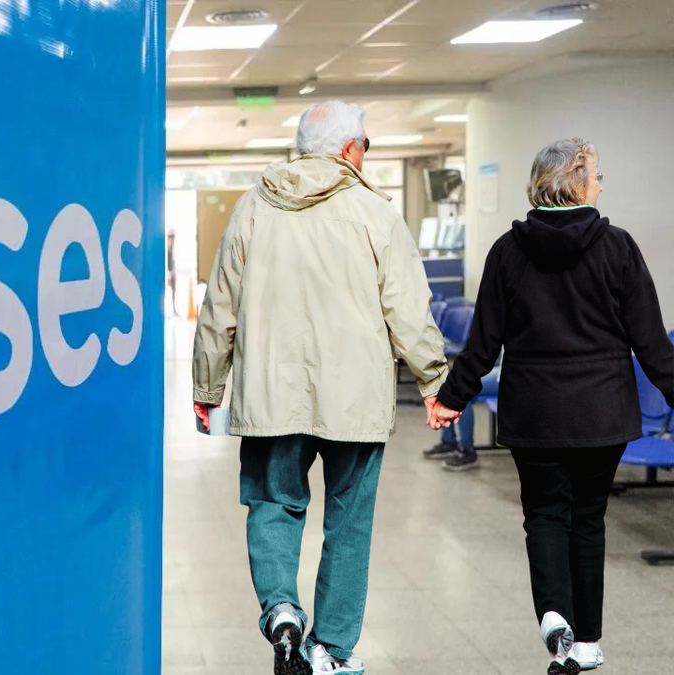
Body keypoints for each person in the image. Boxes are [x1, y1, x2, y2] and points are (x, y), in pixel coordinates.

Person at [192, 100, 450, 675]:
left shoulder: (252, 207)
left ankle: (282, 611)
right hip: (354, 399)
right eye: (366, 145)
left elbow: (219, 305)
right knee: (348, 521)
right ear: (350, 149)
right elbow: (409, 310)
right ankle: (330, 646)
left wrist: (207, 386)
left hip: (271, 394)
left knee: (272, 504)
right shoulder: (375, 212)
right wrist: (434, 380)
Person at [429, 138, 674, 674]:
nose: (601, 186)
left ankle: (554, 616)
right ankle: (586, 642)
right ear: (577, 184)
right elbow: (653, 344)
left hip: (535, 413)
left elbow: (482, 343)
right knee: (588, 520)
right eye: (597, 176)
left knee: (544, 514)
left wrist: (450, 399)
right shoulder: (618, 248)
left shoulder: (507, 251)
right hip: (602, 413)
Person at [422, 365, 500, 470]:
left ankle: (467, 450)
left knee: (461, 389)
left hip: (512, 373)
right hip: (501, 368)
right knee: (446, 380)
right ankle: (449, 441)